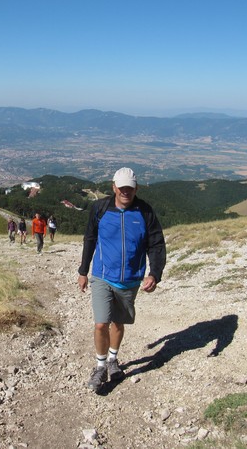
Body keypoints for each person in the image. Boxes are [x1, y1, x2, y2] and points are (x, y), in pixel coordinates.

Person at [78, 167, 166, 393]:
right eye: (122, 187)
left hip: (130, 280)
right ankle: (100, 366)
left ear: (136, 188)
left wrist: (154, 274)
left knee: (118, 323)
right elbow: (90, 238)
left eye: (130, 187)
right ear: (114, 187)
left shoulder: (145, 212)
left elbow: (156, 244)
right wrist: (83, 270)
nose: (126, 191)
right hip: (102, 276)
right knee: (101, 323)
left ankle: (113, 360)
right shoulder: (100, 208)